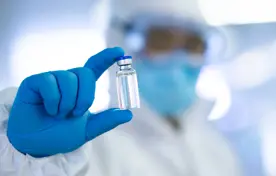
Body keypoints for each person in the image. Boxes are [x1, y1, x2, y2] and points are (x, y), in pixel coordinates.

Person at [0, 0, 242, 175]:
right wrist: (30, 160)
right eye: (160, 40)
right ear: (120, 42)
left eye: (193, 44)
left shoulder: (217, 149)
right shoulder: (88, 153)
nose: (178, 58)